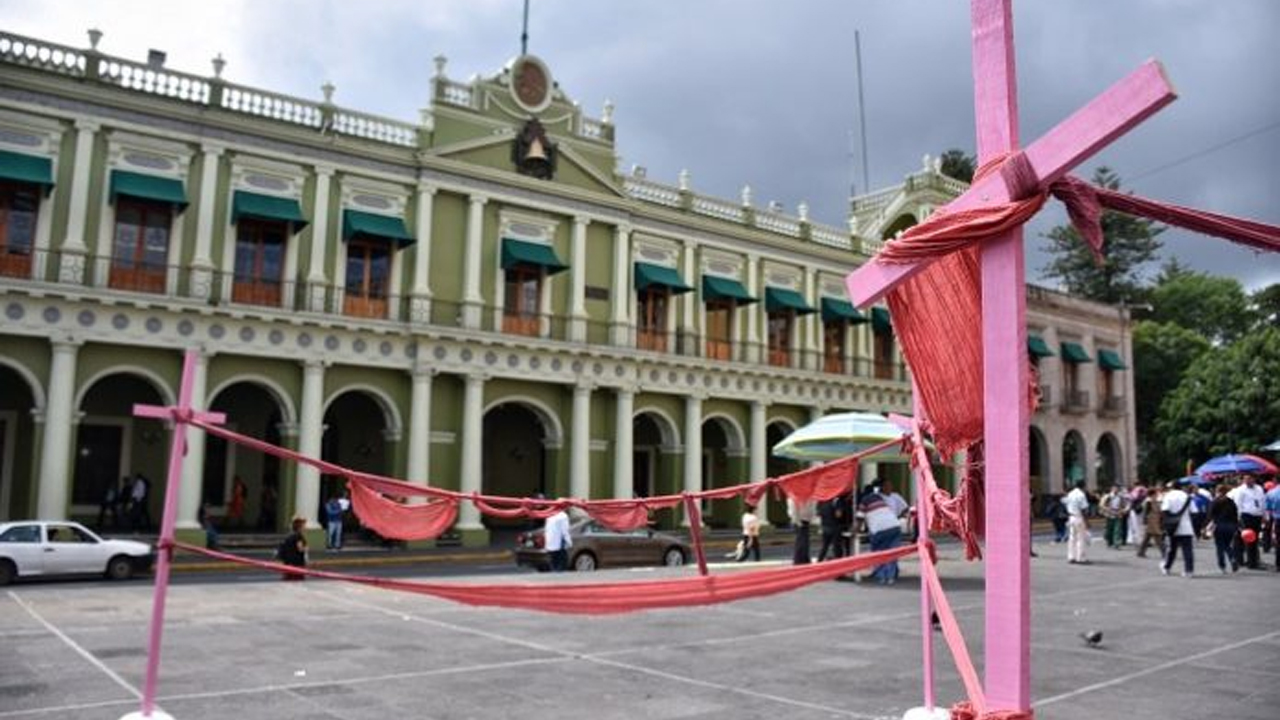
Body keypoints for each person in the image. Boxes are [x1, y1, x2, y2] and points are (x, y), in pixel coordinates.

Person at [860, 486, 903, 584]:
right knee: (892, 553)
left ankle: (882, 577)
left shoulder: (864, 500)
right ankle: (891, 577)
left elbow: (859, 518)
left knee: (879, 553)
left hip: (879, 530)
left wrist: (855, 530)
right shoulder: (881, 499)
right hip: (895, 526)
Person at [1228, 476, 1266, 569]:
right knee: (1249, 538)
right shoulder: (1240, 490)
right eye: (1247, 479)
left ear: (1254, 479)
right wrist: (1238, 518)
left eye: (1251, 478)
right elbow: (1238, 505)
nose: (1249, 480)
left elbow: (1262, 502)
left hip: (1257, 516)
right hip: (1246, 516)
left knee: (1254, 539)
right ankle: (1252, 563)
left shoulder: (1259, 488)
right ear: (1244, 480)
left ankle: (1243, 559)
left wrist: (1264, 515)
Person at [1160, 482, 1195, 577]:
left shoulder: (1168, 496)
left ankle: (1167, 567)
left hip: (1172, 527)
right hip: (1186, 527)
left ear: (1172, 487)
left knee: (1172, 549)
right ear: (1181, 487)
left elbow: (1164, 511)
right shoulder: (1187, 497)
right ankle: (1189, 570)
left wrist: (1165, 524)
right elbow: (1194, 511)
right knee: (1187, 550)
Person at [1206, 484, 1238, 574]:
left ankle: (1222, 566)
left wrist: (1205, 527)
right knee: (1227, 545)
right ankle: (1232, 558)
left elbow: (1210, 515)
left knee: (1220, 546)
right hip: (1230, 526)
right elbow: (1235, 515)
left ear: (1217, 491)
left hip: (1219, 526)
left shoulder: (1215, 501)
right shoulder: (1231, 502)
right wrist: (1236, 526)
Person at [1063, 481, 1091, 564]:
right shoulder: (1081, 495)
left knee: (1072, 538)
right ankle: (1080, 558)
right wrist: (1087, 521)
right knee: (1080, 538)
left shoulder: (1070, 493)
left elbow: (1066, 504)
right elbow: (1084, 509)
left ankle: (1071, 557)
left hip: (1071, 517)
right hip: (1079, 517)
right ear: (1083, 486)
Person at [817, 494, 848, 561]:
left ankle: (819, 561)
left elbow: (819, 514)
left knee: (824, 546)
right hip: (835, 527)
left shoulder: (822, 500)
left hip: (825, 526)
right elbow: (838, 515)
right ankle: (838, 563)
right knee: (837, 547)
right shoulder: (837, 501)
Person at [1137, 486, 1165, 559]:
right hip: (1151, 521)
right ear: (1153, 494)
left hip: (1155, 520)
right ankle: (1164, 552)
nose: (1158, 494)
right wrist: (1145, 522)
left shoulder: (1154, 501)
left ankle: (1141, 552)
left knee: (1147, 537)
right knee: (1158, 536)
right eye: (1156, 493)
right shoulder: (1148, 502)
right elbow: (1146, 513)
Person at [277, 515, 308, 580]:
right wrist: (306, 548)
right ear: (300, 527)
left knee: (288, 580)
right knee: (296, 581)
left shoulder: (290, 535)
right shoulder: (299, 536)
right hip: (296, 564)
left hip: (288, 562)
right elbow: (300, 549)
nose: (305, 527)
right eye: (304, 525)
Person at [544, 506, 573, 572]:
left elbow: (546, 530)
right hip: (559, 544)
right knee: (562, 562)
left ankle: (554, 576)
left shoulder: (550, 515)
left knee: (553, 563)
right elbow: (565, 531)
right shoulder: (563, 516)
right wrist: (569, 542)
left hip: (550, 543)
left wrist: (546, 544)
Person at [789, 498, 816, 565]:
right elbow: (793, 511)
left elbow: (812, 509)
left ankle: (804, 559)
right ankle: (799, 560)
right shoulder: (794, 497)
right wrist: (797, 521)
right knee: (801, 542)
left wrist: (811, 519)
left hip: (805, 520)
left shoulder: (809, 498)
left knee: (804, 542)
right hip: (799, 521)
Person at [1266, 480, 1280, 572]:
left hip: (1277, 519)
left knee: (1279, 542)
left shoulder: (1271, 492)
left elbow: (1268, 508)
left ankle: (1278, 564)